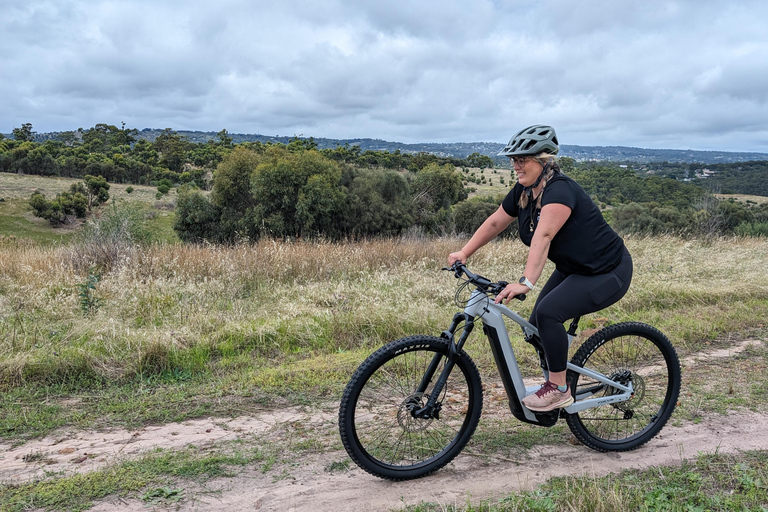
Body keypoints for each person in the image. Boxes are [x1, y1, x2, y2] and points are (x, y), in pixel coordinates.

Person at [448, 125, 633, 412]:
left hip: (607, 271)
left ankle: (558, 388)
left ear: (543, 160)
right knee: (537, 326)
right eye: (513, 159)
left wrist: (526, 282)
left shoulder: (559, 191)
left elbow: (543, 236)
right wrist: (464, 251)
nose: (516, 165)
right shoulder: (524, 191)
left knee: (549, 314)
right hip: (574, 268)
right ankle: (557, 377)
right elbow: (497, 221)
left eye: (523, 159)